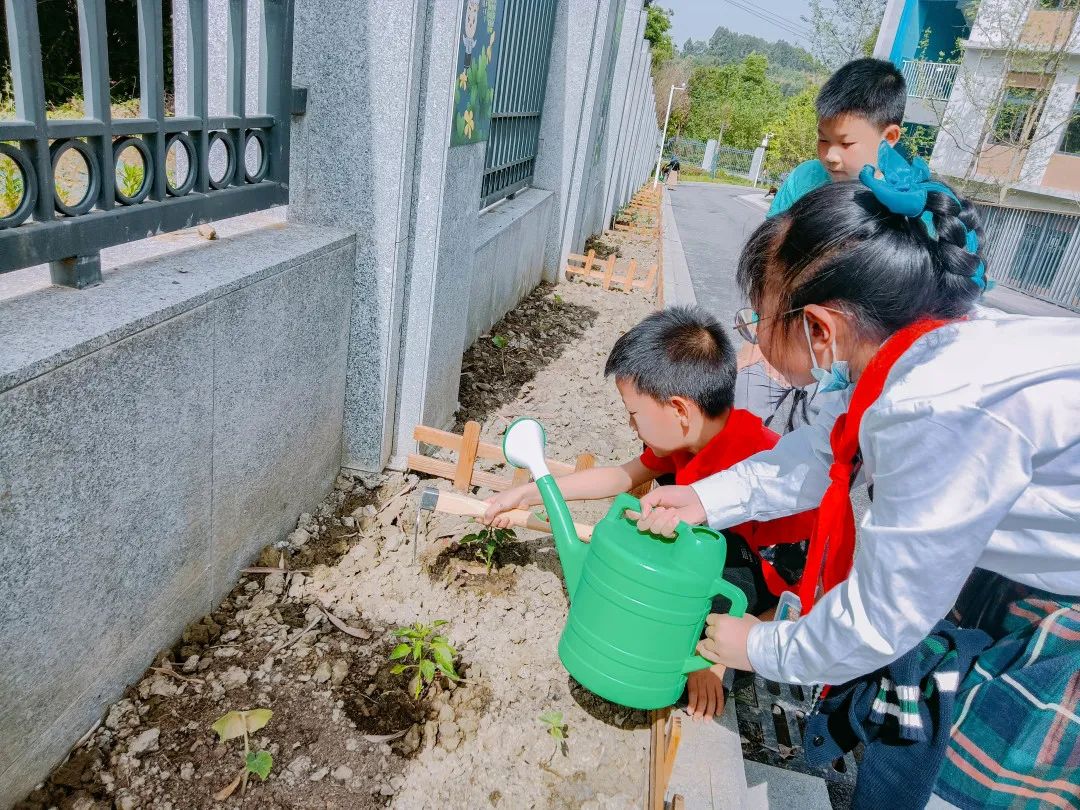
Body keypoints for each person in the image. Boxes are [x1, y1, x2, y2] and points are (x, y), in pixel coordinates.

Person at [634, 142, 1080, 806]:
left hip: (1054, 611)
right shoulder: (903, 354)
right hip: (1023, 567)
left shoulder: (938, 410)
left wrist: (762, 646)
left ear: (820, 329)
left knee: (959, 782)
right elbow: (815, 459)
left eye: (759, 319)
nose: (754, 335)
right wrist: (698, 498)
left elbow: (880, 618)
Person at [483, 306, 816, 721]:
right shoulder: (684, 441)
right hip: (718, 560)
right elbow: (619, 477)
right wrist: (530, 493)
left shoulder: (757, 464)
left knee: (718, 556)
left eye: (635, 414)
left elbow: (798, 587)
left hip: (761, 584)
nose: (630, 424)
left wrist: (712, 660)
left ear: (679, 411)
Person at [767, 58, 905, 218]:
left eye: (846, 143)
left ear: (888, 138)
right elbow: (771, 238)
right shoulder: (805, 178)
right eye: (823, 139)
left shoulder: (904, 204)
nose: (830, 156)